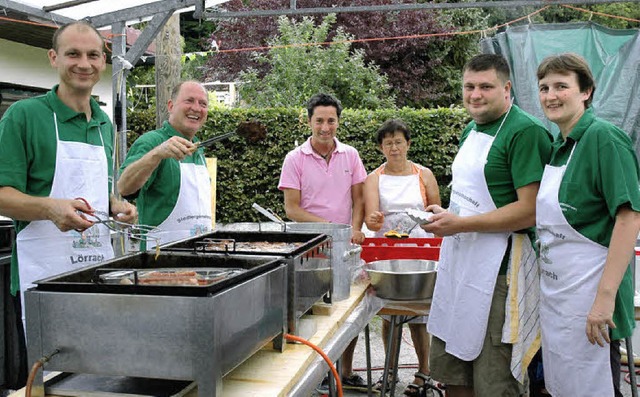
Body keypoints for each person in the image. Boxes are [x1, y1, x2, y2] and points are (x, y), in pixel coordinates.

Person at [0, 21, 136, 389]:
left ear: (103, 61)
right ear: (53, 57)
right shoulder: (25, 116)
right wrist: (49, 209)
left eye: (93, 55)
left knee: (97, 379)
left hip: (94, 272)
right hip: (42, 280)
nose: (84, 63)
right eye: (73, 53)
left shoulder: (105, 123)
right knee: (52, 383)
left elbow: (96, 191)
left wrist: (114, 205)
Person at [422, 54, 552, 397]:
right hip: (460, 265)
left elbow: (530, 211)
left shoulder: (525, 132)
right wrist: (445, 214)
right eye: (469, 86)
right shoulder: (470, 129)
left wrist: (461, 223)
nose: (475, 95)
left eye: (485, 87)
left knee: (494, 380)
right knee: (454, 372)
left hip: (501, 274)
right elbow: (471, 196)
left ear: (506, 88)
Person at [535, 52, 640, 397]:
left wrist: (604, 300)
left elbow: (629, 216)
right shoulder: (559, 146)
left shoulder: (603, 138)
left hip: (591, 304)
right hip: (559, 299)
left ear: (586, 92)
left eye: (562, 86)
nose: (551, 95)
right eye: (544, 87)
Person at [278, 93, 367, 392]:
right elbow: (292, 209)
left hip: (344, 247)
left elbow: (358, 198)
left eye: (331, 120)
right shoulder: (294, 159)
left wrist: (353, 230)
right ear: (309, 122)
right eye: (319, 120)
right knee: (312, 310)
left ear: (338, 122)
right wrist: (329, 228)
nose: (325, 127)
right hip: (310, 247)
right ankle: (316, 372)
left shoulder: (351, 155)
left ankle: (344, 370)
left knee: (348, 309)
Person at [363, 119, 440, 396]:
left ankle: (424, 371)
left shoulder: (424, 174)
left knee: (420, 312)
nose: (394, 148)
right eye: (388, 143)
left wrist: (428, 218)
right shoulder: (374, 178)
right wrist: (373, 220)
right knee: (390, 312)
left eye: (398, 142)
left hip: (420, 247)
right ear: (381, 147)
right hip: (388, 249)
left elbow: (435, 210)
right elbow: (371, 222)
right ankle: (390, 369)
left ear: (407, 143)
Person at [117, 81, 212, 248]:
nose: (196, 108)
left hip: (202, 257)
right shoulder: (152, 141)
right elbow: (124, 187)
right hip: (161, 261)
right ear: (170, 106)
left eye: (202, 103)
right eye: (189, 101)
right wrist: (157, 154)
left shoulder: (198, 148)